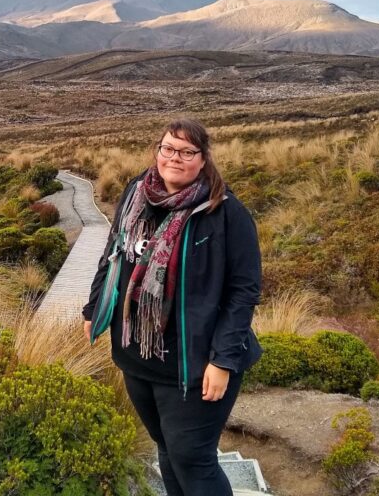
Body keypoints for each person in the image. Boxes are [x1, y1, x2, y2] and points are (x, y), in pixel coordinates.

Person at [82, 118, 262, 496]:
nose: (174, 158)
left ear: (203, 159)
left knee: (194, 460)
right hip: (138, 357)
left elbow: (243, 291)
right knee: (167, 449)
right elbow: (114, 252)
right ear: (157, 151)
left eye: (186, 152)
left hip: (194, 364)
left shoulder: (225, 213)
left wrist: (223, 360)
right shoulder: (136, 192)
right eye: (167, 148)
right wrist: (94, 306)